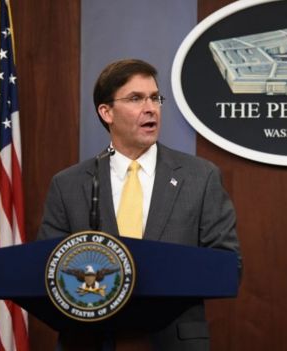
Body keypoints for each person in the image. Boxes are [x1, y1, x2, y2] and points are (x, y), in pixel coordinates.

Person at [38, 59, 240, 350]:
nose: (151, 108)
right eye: (136, 98)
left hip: (172, 340)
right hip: (89, 339)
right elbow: (47, 269)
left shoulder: (201, 176)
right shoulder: (69, 184)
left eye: (155, 98)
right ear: (106, 112)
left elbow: (229, 265)